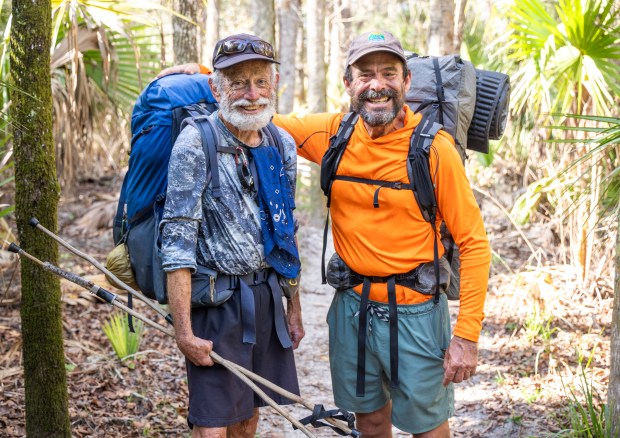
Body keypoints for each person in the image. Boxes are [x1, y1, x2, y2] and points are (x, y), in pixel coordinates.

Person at [161, 30, 491, 438]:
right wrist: (205, 75)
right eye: (364, 74)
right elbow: (249, 110)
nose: (377, 85)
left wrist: (467, 336)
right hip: (351, 309)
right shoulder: (332, 133)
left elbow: (474, 243)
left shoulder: (433, 149)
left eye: (389, 73)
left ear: (407, 82)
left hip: (417, 311)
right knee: (368, 419)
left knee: (427, 426)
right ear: (348, 83)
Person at [159, 33, 305, 438]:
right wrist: (184, 331)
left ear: (274, 84)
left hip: (265, 298)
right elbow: (177, 243)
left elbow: (285, 234)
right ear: (216, 87)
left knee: (248, 416)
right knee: (212, 424)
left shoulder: (282, 145)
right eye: (238, 82)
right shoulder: (196, 142)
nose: (251, 94)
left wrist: (293, 307)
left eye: (260, 81)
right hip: (216, 303)